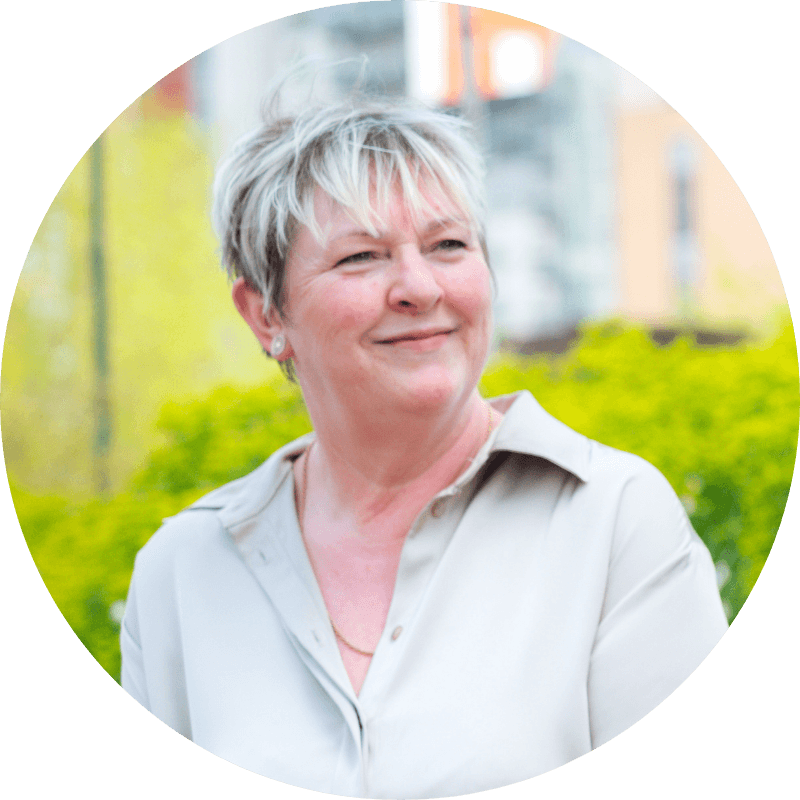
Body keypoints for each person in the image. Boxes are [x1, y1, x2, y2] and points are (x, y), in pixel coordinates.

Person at [121, 96, 728, 798]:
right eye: (361, 256)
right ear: (266, 314)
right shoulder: (182, 573)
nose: (418, 286)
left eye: (448, 245)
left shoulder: (615, 521)